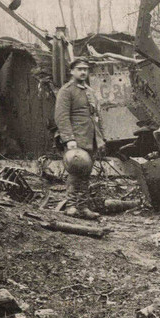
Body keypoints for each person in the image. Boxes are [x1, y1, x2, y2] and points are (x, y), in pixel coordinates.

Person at [54, 57, 106, 220]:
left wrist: (101, 138)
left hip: (90, 138)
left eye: (85, 69)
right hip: (76, 138)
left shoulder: (90, 91)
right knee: (75, 171)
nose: (83, 72)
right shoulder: (67, 90)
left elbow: (97, 116)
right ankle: (71, 206)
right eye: (79, 69)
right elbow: (61, 116)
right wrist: (69, 138)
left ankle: (83, 207)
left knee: (86, 173)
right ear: (72, 71)